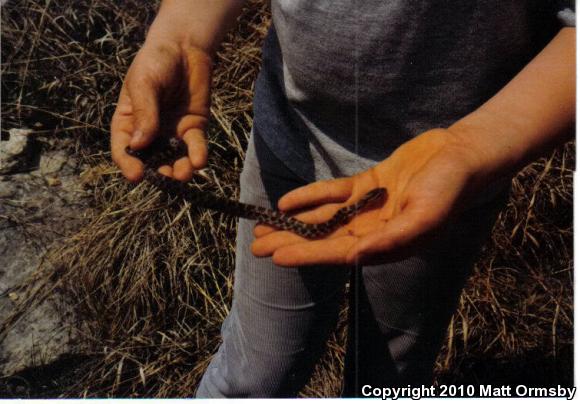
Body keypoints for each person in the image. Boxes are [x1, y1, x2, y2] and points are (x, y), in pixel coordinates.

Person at [110, 0, 575, 398]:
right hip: (292, 144)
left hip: (441, 187)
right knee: (257, 368)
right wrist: (181, 37)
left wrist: (472, 149)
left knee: (391, 374)